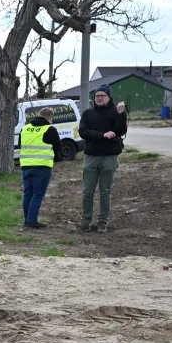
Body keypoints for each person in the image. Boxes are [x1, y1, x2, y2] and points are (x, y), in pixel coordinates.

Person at [78, 84, 128, 232]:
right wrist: (102, 135)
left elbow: (120, 130)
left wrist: (121, 114)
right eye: (97, 96)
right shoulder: (88, 113)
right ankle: (85, 221)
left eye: (102, 95)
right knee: (88, 191)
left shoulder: (115, 112)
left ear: (108, 97)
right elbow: (83, 132)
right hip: (91, 156)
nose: (99, 98)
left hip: (110, 156)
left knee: (105, 191)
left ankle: (102, 222)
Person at [19, 106, 62, 229]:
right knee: (37, 194)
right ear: (50, 117)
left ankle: (27, 218)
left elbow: (20, 144)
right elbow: (58, 147)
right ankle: (31, 220)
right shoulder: (50, 129)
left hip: (26, 166)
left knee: (28, 193)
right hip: (42, 166)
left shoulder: (25, 128)